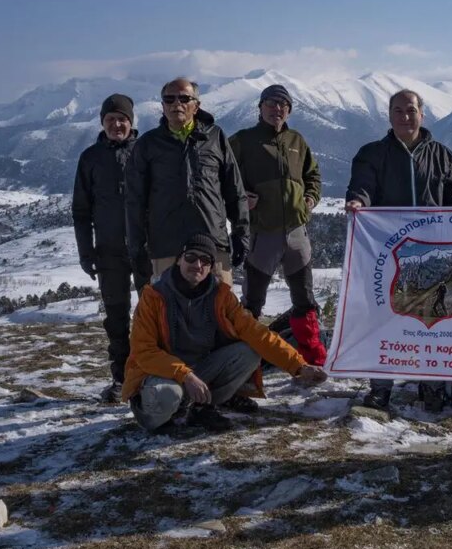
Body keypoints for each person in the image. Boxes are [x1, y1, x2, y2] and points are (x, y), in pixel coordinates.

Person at [122, 234, 327, 432]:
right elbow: (144, 351)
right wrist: (184, 375)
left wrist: (298, 367)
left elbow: (257, 333)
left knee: (249, 351)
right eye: (191, 257)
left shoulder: (221, 296)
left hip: (199, 371)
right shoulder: (153, 297)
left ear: (211, 267)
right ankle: (156, 416)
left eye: (205, 260)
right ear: (179, 260)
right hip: (161, 375)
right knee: (168, 395)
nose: (197, 265)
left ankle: (201, 406)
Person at [346, 89, 452, 412]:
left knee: (432, 320)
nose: (405, 117)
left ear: (422, 115)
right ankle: (380, 387)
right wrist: (359, 201)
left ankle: (431, 385)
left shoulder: (443, 155)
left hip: (432, 255)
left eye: (411, 110)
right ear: (389, 116)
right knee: (383, 318)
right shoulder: (372, 153)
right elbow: (362, 187)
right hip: (389, 256)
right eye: (398, 111)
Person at [228, 84, 327, 365]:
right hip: (262, 232)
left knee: (304, 299)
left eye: (283, 104)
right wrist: (240, 198)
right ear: (260, 108)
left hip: (296, 232)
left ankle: (312, 358)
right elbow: (225, 175)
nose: (277, 109)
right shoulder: (244, 140)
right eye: (271, 103)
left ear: (289, 110)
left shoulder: (297, 140)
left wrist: (309, 198)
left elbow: (313, 175)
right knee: (252, 303)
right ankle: (244, 362)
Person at [125, 77, 250, 288]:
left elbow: (234, 189)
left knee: (219, 313)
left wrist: (241, 233)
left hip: (213, 244)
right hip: (166, 246)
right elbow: (134, 199)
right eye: (169, 99)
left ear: (196, 105)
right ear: (162, 105)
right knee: (167, 314)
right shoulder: (147, 144)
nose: (177, 104)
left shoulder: (215, 137)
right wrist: (136, 247)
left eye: (184, 98)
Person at [73, 94, 149, 403]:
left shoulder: (146, 152)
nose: (116, 124)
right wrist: (85, 251)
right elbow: (81, 211)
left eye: (122, 119)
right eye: (110, 120)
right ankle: (122, 379)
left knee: (152, 315)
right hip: (108, 251)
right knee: (116, 319)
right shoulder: (90, 158)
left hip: (147, 249)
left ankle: (154, 373)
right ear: (102, 123)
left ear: (131, 122)